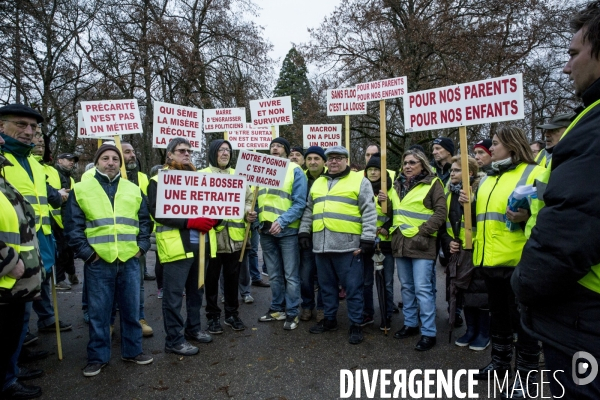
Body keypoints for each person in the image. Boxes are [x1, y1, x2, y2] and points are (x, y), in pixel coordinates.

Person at [512, 3, 600, 398]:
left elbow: (573, 226)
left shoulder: (594, 130)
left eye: (572, 54)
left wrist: (525, 282)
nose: (566, 68)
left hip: (584, 312)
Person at [466, 126, 544, 397]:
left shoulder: (534, 172)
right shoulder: (488, 177)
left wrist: (525, 218)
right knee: (498, 317)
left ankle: (526, 378)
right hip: (488, 260)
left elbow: (548, 215)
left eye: (496, 143)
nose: (492, 147)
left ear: (511, 146)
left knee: (523, 323)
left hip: (517, 261)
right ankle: (500, 364)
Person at [64, 143, 154, 377]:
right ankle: (97, 357)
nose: (111, 162)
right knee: (99, 313)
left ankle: (133, 351)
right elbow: (73, 226)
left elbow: (145, 221)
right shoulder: (82, 188)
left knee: (131, 310)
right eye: (105, 158)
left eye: (115, 158)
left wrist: (142, 246)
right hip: (98, 262)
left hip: (129, 260)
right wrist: (87, 254)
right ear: (97, 162)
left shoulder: (133, 189)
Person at [0, 105, 72, 337]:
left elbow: (46, 195)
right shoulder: (3, 159)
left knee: (33, 290)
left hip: (41, 236)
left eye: (34, 127)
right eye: (21, 124)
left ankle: (23, 347)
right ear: (1, 126)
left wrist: (59, 197)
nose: (29, 132)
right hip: (10, 244)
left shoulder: (33, 163)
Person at [299, 145, 377, 344]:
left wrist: (368, 238)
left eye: (338, 158)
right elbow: (309, 209)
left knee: (353, 289)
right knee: (326, 288)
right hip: (321, 246)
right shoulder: (318, 183)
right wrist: (303, 231)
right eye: (330, 158)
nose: (333, 161)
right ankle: (329, 320)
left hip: (348, 247)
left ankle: (356, 324)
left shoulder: (360, 180)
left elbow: (369, 211)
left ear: (346, 160)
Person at [148, 138, 217, 356]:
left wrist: (216, 220)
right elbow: (157, 211)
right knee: (174, 297)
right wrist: (189, 222)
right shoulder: (158, 180)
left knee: (197, 292)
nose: (186, 154)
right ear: (169, 154)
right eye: (181, 151)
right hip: (176, 247)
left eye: (189, 151)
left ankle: (193, 329)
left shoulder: (200, 179)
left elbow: (216, 205)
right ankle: (174, 340)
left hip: (201, 247)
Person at [0, 135, 45, 400]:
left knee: (10, 337)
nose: (3, 142)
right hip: (7, 277)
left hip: (15, 282)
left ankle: (10, 374)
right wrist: (7, 261)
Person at [391, 149, 447, 351]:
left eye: (412, 162)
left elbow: (441, 212)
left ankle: (429, 332)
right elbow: (394, 211)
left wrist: (423, 231)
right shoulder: (396, 185)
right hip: (400, 242)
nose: (407, 166)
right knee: (406, 286)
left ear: (423, 165)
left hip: (422, 244)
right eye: (405, 162)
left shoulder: (433, 183)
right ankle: (411, 323)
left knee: (422, 288)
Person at [200, 139, 255, 333]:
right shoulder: (200, 176)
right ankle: (213, 317)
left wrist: (249, 211)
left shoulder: (239, 176)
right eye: (221, 150)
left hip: (236, 238)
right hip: (211, 239)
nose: (225, 153)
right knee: (211, 279)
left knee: (233, 278)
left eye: (228, 150)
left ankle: (232, 314)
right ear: (213, 152)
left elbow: (249, 199)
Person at [439, 156, 489, 351]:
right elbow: (445, 225)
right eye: (452, 170)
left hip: (476, 250)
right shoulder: (449, 193)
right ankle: (471, 330)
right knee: (463, 291)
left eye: (457, 170)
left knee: (480, 292)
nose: (452, 173)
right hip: (457, 251)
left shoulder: (481, 190)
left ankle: (484, 332)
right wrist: (448, 242)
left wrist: (472, 203)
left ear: (469, 173)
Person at [257, 137, 307, 330]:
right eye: (272, 146)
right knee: (274, 275)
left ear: (286, 151)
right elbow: (256, 199)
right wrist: (252, 215)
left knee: (291, 275)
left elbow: (299, 203)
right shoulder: (261, 170)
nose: (274, 148)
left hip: (287, 231)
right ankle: (277, 309)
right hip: (265, 230)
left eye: (278, 146)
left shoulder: (295, 171)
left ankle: (293, 312)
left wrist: (282, 221)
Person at [361, 152, 399, 332]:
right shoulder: (362, 187)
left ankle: (387, 315)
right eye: (371, 169)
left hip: (385, 243)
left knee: (386, 282)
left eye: (377, 170)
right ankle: (367, 313)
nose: (373, 173)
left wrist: (386, 228)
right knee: (366, 281)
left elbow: (399, 215)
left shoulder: (391, 190)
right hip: (368, 241)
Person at [298, 146, 327, 322]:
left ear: (323, 161)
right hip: (306, 233)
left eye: (317, 158)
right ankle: (307, 306)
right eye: (309, 159)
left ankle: (323, 307)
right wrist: (303, 232)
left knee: (324, 275)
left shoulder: (330, 178)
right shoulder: (301, 177)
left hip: (325, 232)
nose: (312, 162)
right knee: (306, 274)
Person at [49, 153, 78, 290]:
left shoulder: (70, 178)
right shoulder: (53, 173)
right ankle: (59, 279)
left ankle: (71, 272)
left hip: (66, 219)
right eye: (69, 160)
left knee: (69, 249)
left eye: (73, 161)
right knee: (60, 251)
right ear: (59, 160)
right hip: (55, 220)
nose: (72, 162)